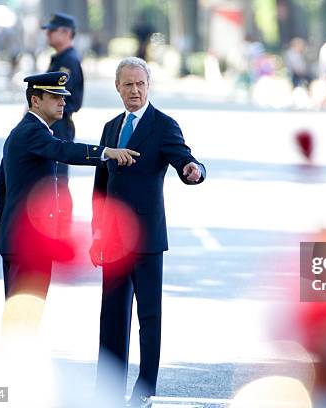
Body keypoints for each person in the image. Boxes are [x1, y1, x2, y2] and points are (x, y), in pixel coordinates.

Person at [91, 57, 206, 407]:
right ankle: (107, 389)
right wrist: (96, 233)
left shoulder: (163, 125)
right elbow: (101, 186)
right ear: (118, 88)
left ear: (148, 86)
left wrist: (193, 170)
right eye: (128, 85)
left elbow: (187, 159)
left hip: (146, 239)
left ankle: (145, 390)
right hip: (112, 239)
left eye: (141, 84)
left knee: (149, 318)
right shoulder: (111, 128)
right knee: (111, 316)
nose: (135, 91)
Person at [0, 72, 140, 299]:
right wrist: (107, 152)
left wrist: (12, 221)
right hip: (27, 244)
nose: (62, 102)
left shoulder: (24, 131)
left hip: (19, 240)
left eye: (63, 97)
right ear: (35, 100)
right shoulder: (32, 132)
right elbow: (64, 150)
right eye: (54, 97)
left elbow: (1, 187)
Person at [42, 13, 85, 231]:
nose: (47, 33)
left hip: (58, 125)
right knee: (49, 179)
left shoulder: (68, 61)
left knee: (57, 179)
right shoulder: (59, 58)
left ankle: (60, 230)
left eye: (52, 29)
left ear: (66, 33)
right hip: (50, 124)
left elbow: (69, 100)